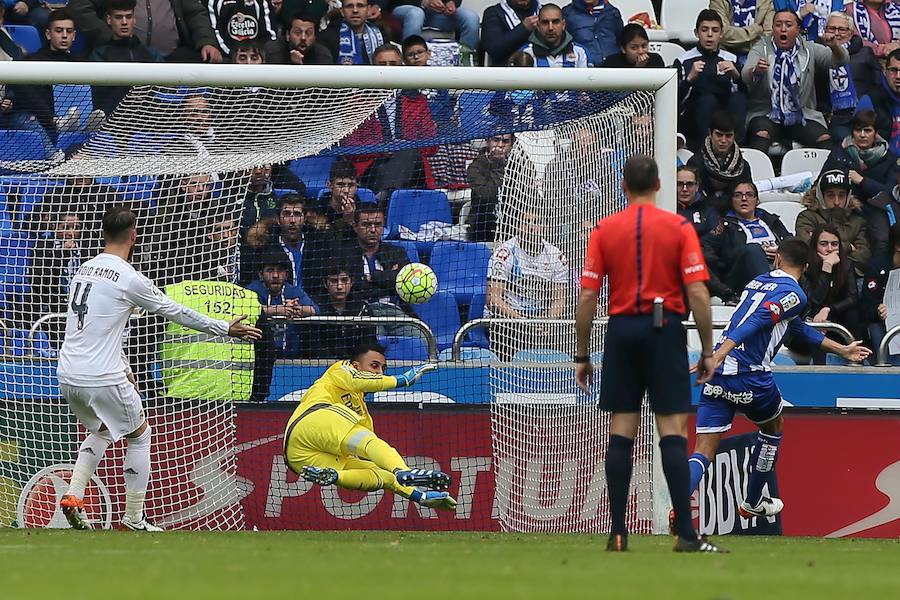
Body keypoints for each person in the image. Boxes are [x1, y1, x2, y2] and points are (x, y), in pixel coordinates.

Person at [56, 206, 261, 531]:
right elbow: (175, 311)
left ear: (101, 234)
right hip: (101, 376)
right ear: (134, 235)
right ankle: (134, 517)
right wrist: (224, 328)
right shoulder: (129, 278)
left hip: (68, 374)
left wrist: (124, 364)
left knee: (102, 431)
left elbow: (98, 328)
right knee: (139, 437)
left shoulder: (84, 269)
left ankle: (73, 494)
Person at [574, 155, 723, 553]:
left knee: (621, 430)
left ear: (624, 186)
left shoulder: (604, 229)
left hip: (622, 331)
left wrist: (582, 354)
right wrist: (708, 349)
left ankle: (618, 533)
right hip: (664, 329)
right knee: (671, 431)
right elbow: (697, 294)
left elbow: (588, 295)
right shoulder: (678, 227)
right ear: (660, 186)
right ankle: (686, 536)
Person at [686, 238, 870, 526]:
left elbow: (797, 328)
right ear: (807, 266)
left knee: (703, 449)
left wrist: (842, 349)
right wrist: (718, 353)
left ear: (777, 260)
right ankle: (753, 501)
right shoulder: (794, 294)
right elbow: (759, 318)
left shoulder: (756, 283)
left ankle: (680, 499)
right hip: (749, 376)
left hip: (719, 377)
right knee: (773, 428)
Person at [284, 340, 456, 511]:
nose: (379, 372)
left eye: (383, 369)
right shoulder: (340, 370)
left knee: (383, 477)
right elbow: (357, 381)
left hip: (299, 458)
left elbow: (375, 460)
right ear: (355, 365)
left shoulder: (363, 416)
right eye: (374, 366)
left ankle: (336, 476)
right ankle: (403, 470)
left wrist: (419, 496)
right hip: (312, 419)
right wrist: (403, 380)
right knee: (371, 444)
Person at [741, 9, 848, 153]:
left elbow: (841, 60)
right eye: (778, 25)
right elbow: (745, 75)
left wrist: (835, 46)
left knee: (823, 138)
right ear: (773, 28)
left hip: (800, 116)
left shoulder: (809, 49)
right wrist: (756, 71)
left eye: (788, 24)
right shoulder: (762, 47)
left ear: (798, 30)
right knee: (761, 134)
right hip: (766, 114)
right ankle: (756, 174)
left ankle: (824, 174)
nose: (783, 29)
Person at [486, 208, 568, 357]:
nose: (531, 226)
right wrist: (522, 321)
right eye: (526, 222)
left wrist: (549, 321)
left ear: (545, 226)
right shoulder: (504, 254)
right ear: (518, 225)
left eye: (537, 222)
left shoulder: (556, 256)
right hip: (508, 321)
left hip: (540, 318)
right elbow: (493, 299)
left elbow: (559, 299)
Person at [245, 251, 317, 401]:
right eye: (270, 270)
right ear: (261, 274)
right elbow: (243, 309)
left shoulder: (293, 291)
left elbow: (314, 309)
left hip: (291, 357)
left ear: (286, 274)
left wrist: (297, 309)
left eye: (280, 271)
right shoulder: (252, 290)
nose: (276, 275)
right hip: (259, 360)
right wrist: (276, 310)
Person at [704, 180, 791, 297]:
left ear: (757, 200)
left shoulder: (771, 220)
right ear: (732, 200)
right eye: (738, 195)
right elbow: (702, 248)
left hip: (779, 268)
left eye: (749, 195)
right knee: (753, 250)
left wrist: (782, 251)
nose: (744, 199)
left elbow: (792, 243)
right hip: (742, 277)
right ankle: (774, 296)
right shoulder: (723, 225)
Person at [675, 10, 747, 148]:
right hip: (695, 117)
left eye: (714, 30)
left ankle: (736, 148)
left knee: (739, 99)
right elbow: (676, 101)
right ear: (697, 33)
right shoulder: (684, 60)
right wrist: (689, 79)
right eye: (704, 30)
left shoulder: (730, 59)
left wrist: (736, 75)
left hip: (724, 114)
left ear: (721, 34)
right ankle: (706, 149)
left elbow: (744, 94)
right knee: (707, 100)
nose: (709, 35)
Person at [69, 0, 222, 62]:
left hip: (173, 58)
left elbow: (194, 12)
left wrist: (207, 41)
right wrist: (109, 35)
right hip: (123, 57)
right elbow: (79, 9)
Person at [88, 0, 163, 117]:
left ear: (134, 19)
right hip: (114, 119)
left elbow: (162, 89)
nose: (124, 22)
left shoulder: (151, 54)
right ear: (109, 20)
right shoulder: (99, 55)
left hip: (149, 118)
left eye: (128, 17)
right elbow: (99, 95)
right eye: (118, 17)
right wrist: (127, 94)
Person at [816, 11, 881, 141]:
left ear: (851, 33)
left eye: (842, 29)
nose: (836, 33)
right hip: (832, 118)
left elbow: (878, 85)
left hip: (862, 115)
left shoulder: (865, 53)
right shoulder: (816, 54)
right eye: (831, 28)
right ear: (824, 30)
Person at [795, 165, 871, 269]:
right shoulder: (807, 218)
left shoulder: (857, 221)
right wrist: (848, 247)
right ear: (821, 196)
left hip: (850, 275)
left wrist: (830, 255)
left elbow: (864, 255)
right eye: (830, 195)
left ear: (848, 196)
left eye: (841, 195)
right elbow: (808, 247)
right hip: (816, 274)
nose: (836, 202)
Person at [801, 223, 863, 347]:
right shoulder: (806, 266)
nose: (829, 249)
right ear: (815, 246)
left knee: (852, 313)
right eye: (823, 244)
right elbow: (813, 300)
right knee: (815, 315)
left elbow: (853, 298)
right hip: (813, 314)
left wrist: (829, 309)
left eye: (834, 244)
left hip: (837, 313)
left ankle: (857, 357)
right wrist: (826, 269)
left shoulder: (846, 264)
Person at [300, 263, 376, 358]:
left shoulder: (363, 309)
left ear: (351, 282)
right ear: (325, 283)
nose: (339, 286)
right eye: (334, 281)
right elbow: (312, 347)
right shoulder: (313, 308)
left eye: (344, 280)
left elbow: (368, 345)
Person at [827, 109, 900, 202]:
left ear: (876, 133)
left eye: (867, 131)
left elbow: (892, 193)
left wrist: (863, 181)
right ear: (852, 132)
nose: (862, 135)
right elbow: (821, 181)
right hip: (844, 208)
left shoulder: (890, 159)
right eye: (858, 130)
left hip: (877, 211)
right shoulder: (839, 153)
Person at [687, 110, 752, 213]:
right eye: (719, 134)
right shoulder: (695, 163)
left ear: (734, 136)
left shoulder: (743, 166)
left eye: (728, 136)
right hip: (703, 215)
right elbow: (693, 196)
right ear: (710, 133)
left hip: (734, 216)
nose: (723, 140)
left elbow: (748, 195)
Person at [860, 222, 900, 362]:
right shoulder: (877, 266)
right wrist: (878, 310)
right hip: (883, 322)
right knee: (877, 331)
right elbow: (867, 307)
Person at [467, 133, 513, 242]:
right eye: (496, 140)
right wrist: (498, 164)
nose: (500, 145)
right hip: (482, 226)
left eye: (505, 141)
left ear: (511, 145)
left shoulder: (517, 166)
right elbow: (487, 194)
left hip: (512, 226)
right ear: (488, 142)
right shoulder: (476, 166)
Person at [520, 4, 592, 68]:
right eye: (545, 22)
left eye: (555, 22)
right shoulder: (526, 52)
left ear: (563, 25)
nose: (550, 28)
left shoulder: (580, 52)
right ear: (538, 26)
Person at [858, 48, 900, 156]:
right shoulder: (869, 101)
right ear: (885, 72)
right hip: (883, 164)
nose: (898, 77)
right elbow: (859, 145)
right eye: (893, 70)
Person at [319, 0, 386, 65]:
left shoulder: (381, 34)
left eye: (360, 6)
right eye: (349, 6)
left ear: (368, 10)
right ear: (342, 11)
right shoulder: (326, 37)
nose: (355, 10)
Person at [561, 0, 623, 67]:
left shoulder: (613, 12)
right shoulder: (567, 14)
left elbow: (621, 41)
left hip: (613, 68)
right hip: (585, 70)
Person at [709, 0, 775, 60]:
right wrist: (756, 30)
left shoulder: (766, 2)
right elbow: (721, 32)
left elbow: (768, 35)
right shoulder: (718, 1)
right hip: (726, 53)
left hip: (755, 54)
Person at [207, 0, 276, 56]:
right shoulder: (214, 2)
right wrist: (233, 54)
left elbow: (269, 35)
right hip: (227, 57)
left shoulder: (263, 2)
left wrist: (256, 54)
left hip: (257, 57)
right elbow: (214, 32)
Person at [480, 0, 539, 66]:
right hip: (508, 71)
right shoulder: (494, 13)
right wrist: (523, 29)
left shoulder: (546, 12)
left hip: (545, 69)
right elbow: (494, 49)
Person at [265, 11, 332, 64]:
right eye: (297, 33)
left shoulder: (323, 56)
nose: (303, 38)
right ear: (288, 35)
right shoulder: (272, 52)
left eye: (308, 33)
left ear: (315, 36)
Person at [676, 165, 721, 240]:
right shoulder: (666, 208)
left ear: (697, 186)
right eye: (679, 184)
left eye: (689, 184)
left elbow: (713, 240)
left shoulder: (708, 210)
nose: (684, 189)